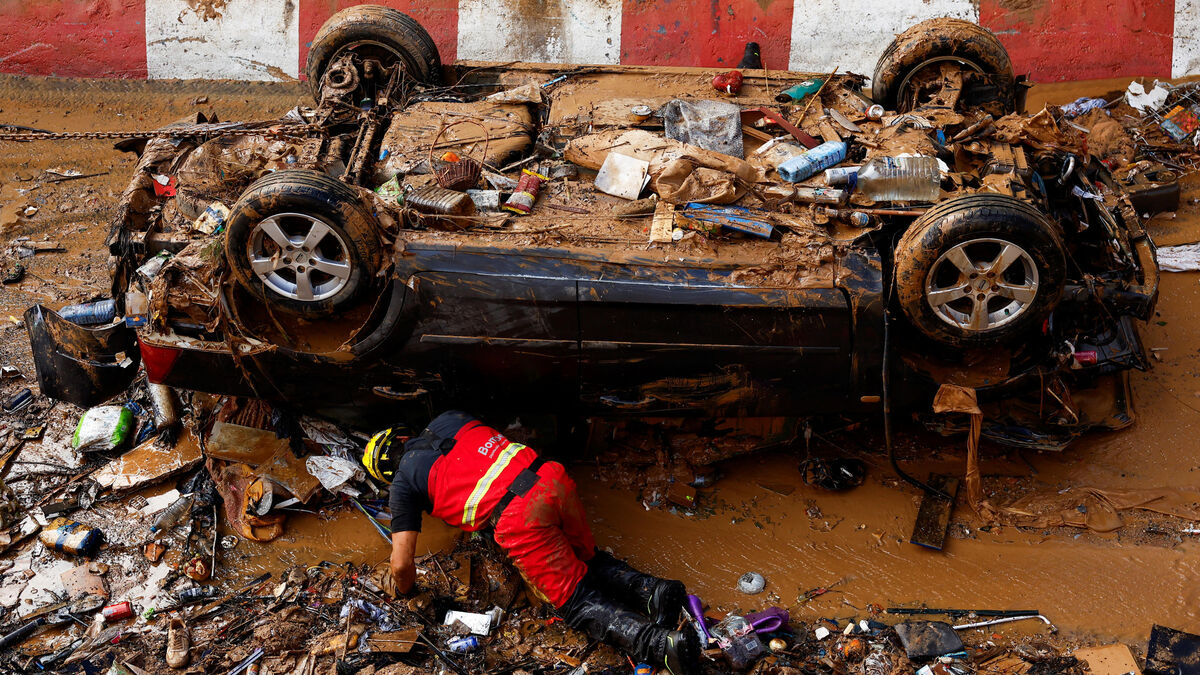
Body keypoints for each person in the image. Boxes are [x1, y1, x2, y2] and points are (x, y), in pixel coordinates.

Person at [362, 410, 700, 674]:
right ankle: (653, 591)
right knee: (585, 557)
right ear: (405, 435)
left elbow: (402, 564)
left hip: (520, 516)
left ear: (386, 474)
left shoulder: (403, 483)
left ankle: (661, 645)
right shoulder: (450, 418)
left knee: (574, 602)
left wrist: (406, 593)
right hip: (550, 477)